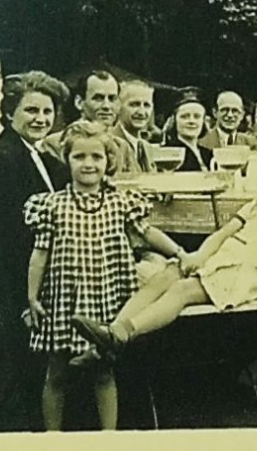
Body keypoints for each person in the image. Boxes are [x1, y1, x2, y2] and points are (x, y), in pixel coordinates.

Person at [24, 120, 192, 430]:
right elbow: (40, 255)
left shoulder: (119, 202)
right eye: (80, 157)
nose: (89, 164)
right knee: (57, 372)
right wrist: (32, 296)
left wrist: (180, 252)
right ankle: (51, 435)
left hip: (106, 297)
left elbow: (148, 232)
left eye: (96, 157)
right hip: (66, 301)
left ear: (108, 161)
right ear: (67, 159)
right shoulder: (52, 206)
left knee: (104, 370)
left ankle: (108, 435)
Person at [71, 157, 257, 356]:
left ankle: (124, 332)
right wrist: (197, 256)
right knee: (169, 271)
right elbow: (221, 235)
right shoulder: (256, 208)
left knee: (182, 290)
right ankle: (110, 333)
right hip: (218, 263)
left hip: (242, 281)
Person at [0, 70, 70, 430]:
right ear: (9, 112)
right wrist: (24, 297)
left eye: (47, 112)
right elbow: (4, 239)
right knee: (23, 369)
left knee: (41, 369)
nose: (41, 119)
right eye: (31, 110)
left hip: (43, 274)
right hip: (19, 280)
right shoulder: (1, 161)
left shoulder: (40, 156)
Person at [42, 68, 120, 160]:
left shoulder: (121, 145)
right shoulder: (55, 144)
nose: (106, 106)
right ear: (79, 102)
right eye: (98, 98)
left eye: (112, 99)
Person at [112, 79, 158, 174]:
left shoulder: (148, 148)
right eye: (134, 104)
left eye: (146, 105)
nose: (141, 112)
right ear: (118, 106)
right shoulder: (111, 144)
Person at [163, 91, 211, 171]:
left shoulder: (208, 154)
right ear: (174, 120)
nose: (191, 121)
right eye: (184, 116)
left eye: (197, 116)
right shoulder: (168, 154)